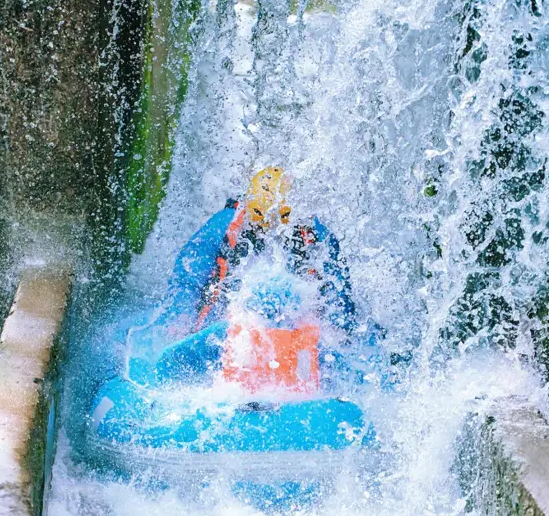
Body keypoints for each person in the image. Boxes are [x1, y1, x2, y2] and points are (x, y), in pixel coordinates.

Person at [135, 166, 379, 393]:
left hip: (296, 336)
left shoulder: (317, 236)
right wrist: (176, 321)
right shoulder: (222, 227)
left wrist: (340, 336)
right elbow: (186, 282)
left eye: (276, 223)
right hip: (225, 330)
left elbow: (339, 298)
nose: (268, 231)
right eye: (260, 222)